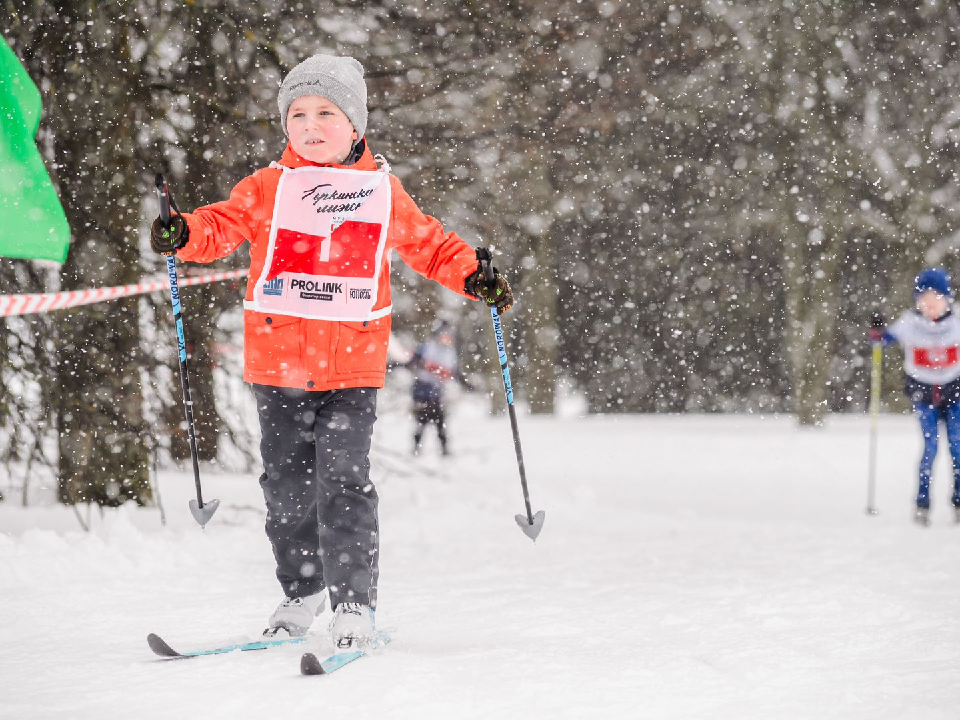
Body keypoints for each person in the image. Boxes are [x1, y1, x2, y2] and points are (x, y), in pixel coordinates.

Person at [149, 54, 514, 649]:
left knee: (343, 483)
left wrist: (475, 275)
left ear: (355, 125)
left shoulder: (380, 192)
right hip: (277, 365)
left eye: (327, 112)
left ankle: (354, 606)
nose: (311, 125)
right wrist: (182, 232)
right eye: (298, 114)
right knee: (286, 489)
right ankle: (302, 592)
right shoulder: (269, 187)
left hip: (351, 367)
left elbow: (431, 246)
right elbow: (220, 226)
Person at [872, 267, 960, 526]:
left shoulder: (956, 323)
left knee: (957, 447)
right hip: (924, 394)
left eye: (936, 297)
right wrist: (876, 332)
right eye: (924, 299)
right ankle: (922, 503)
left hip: (954, 392)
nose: (930, 304)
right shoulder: (909, 323)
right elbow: (881, 340)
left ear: (947, 299)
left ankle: (958, 500)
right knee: (930, 448)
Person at [409, 320, 473, 457]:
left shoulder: (450, 352)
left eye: (449, 336)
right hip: (423, 389)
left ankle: (444, 449)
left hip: (437, 391)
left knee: (440, 420)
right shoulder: (427, 346)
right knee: (421, 420)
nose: (446, 339)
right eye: (444, 335)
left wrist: (467, 384)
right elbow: (414, 361)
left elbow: (454, 372)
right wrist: (429, 367)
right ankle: (416, 448)